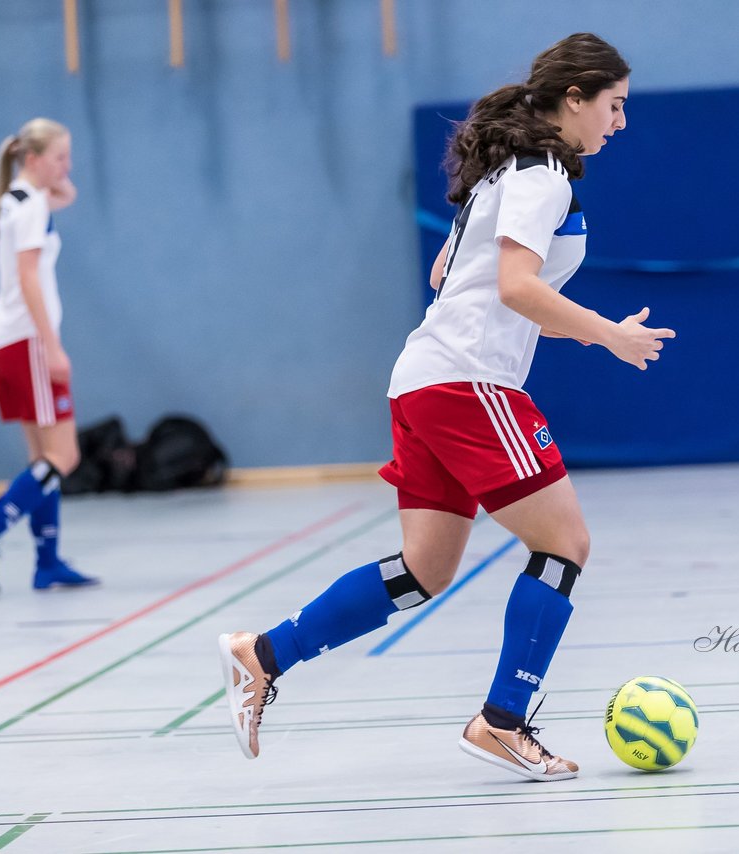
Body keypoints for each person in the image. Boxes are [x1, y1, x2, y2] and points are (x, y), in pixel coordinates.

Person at [218, 33, 671, 781]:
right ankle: (502, 721)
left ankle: (262, 655)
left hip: (424, 377)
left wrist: (578, 329)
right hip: (467, 382)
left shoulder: (508, 171)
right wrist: (607, 336)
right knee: (565, 543)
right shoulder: (544, 174)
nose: (619, 123)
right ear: (575, 98)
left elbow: (446, 273)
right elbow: (517, 289)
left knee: (422, 571)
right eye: (615, 106)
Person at [0, 118, 99, 593]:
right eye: (60, 157)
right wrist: (53, 346)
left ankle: (47, 562)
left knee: (42, 457)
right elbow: (28, 277)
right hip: (30, 342)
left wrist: (55, 176)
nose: (68, 166)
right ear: (34, 159)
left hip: (8, 340)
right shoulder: (32, 205)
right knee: (65, 454)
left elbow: (68, 195)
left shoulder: (14, 199)